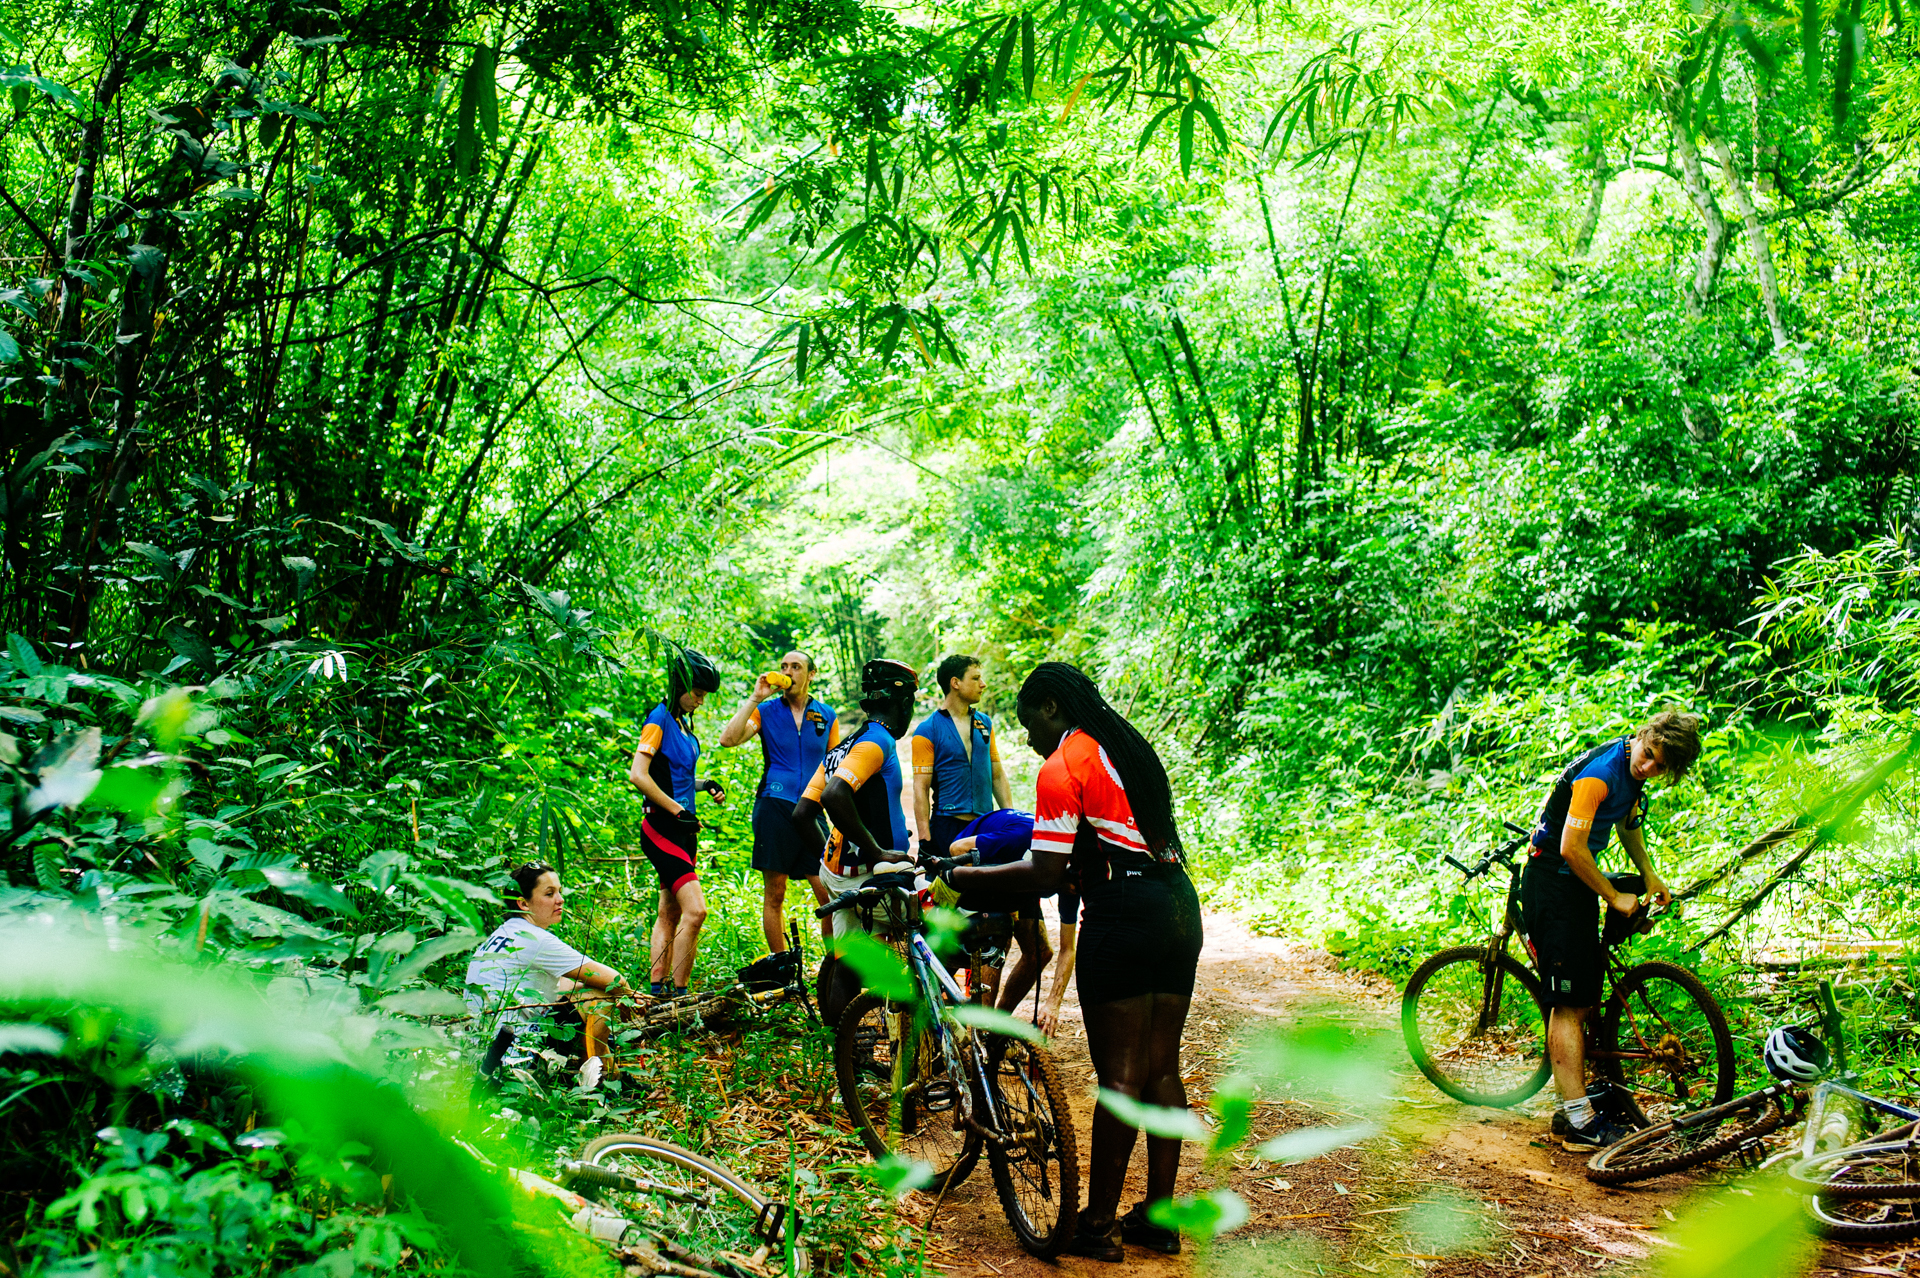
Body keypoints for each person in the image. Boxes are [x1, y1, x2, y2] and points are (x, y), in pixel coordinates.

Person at [923, 662, 1202, 1260]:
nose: (1028, 739)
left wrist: (963, 875)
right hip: (1177, 904)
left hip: (1123, 912)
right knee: (1161, 1069)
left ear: (1051, 707)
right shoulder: (1130, 747)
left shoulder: (1064, 763)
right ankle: (1159, 1216)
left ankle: (1097, 1222)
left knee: (1122, 1075)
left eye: (1029, 724)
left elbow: (1044, 873)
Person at [1524, 709, 1703, 1151]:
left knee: (1585, 995)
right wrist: (1611, 895)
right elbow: (1570, 847)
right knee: (1568, 1003)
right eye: (1648, 756)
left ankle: (1581, 1100)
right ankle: (1580, 1123)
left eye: (1660, 767)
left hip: (1578, 883)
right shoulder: (1600, 774)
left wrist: (1650, 875)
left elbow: (1628, 826)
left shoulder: (1633, 778)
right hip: (1552, 879)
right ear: (1643, 736)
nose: (1648, 768)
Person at [791, 657, 918, 1023]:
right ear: (904, 703)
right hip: (869, 875)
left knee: (848, 964)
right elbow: (834, 796)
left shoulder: (844, 746)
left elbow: (802, 815)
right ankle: (922, 1038)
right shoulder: (878, 741)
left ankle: (845, 1053)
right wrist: (875, 849)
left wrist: (837, 864)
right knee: (939, 928)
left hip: (838, 871)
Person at [717, 650, 841, 956]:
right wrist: (755, 699)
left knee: (829, 892)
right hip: (775, 805)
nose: (788, 671)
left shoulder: (826, 715)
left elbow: (836, 767)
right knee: (775, 893)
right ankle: (781, 964)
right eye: (784, 666)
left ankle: (832, 967)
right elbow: (728, 739)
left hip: (812, 810)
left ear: (811, 674)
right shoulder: (768, 710)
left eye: (796, 667)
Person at [466, 861, 630, 1090]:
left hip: (483, 1059)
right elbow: (615, 980)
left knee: (584, 990)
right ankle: (604, 1084)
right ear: (524, 903)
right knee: (599, 996)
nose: (560, 899)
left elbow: (561, 985)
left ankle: (597, 1075)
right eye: (549, 893)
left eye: (559, 892)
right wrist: (629, 998)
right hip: (517, 1062)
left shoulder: (502, 935)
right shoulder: (535, 939)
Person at [627, 648, 727, 996]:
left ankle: (658, 992)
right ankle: (681, 994)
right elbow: (639, 776)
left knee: (669, 911)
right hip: (662, 829)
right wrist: (676, 810)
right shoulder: (658, 720)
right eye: (697, 693)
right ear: (679, 684)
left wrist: (705, 786)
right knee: (695, 911)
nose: (700, 700)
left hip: (684, 831)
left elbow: (674, 779)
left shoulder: (683, 723)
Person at [945, 808, 1080, 1031]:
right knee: (998, 935)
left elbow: (1068, 948)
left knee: (1040, 952)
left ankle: (996, 1026)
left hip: (1026, 876)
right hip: (983, 870)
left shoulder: (1072, 876)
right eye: (1064, 885)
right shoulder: (1022, 839)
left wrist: (1052, 1004)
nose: (1070, 891)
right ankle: (982, 1025)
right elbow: (956, 849)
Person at [911, 654, 1011, 860]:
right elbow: (920, 787)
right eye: (975, 678)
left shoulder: (985, 724)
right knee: (951, 890)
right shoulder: (927, 730)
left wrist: (1011, 819)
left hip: (985, 824)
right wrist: (924, 838)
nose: (983, 684)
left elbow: (997, 775)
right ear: (955, 683)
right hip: (948, 825)